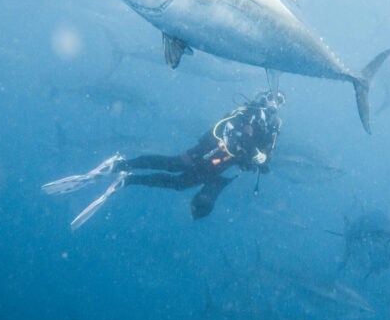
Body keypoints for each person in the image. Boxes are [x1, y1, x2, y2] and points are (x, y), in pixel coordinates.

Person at [42, 90, 284, 229]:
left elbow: (264, 165)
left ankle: (127, 179)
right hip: (210, 151)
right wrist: (250, 149)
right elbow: (227, 128)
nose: (274, 104)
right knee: (173, 165)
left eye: (279, 102)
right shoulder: (249, 113)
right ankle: (120, 165)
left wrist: (262, 160)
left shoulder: (270, 129)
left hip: (218, 167)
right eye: (272, 98)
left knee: (178, 183)